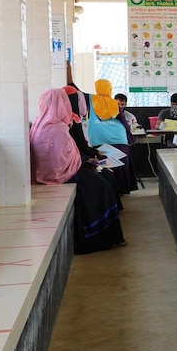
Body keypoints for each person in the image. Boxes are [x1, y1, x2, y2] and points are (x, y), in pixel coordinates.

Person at [30, 88, 126, 253]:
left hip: (52, 172)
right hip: (62, 175)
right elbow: (66, 158)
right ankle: (98, 237)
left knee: (102, 181)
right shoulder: (58, 128)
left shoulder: (41, 123)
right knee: (102, 187)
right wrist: (86, 163)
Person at [87, 79, 137, 195]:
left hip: (98, 138)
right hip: (118, 139)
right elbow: (124, 122)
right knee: (119, 165)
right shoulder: (114, 103)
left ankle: (108, 192)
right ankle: (120, 191)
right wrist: (129, 138)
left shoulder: (90, 100)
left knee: (104, 165)